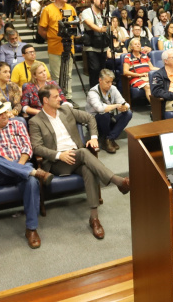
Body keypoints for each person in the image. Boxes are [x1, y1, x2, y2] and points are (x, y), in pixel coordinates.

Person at [28, 85, 130, 239]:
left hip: (77, 157)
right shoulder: (36, 121)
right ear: (45, 100)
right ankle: (118, 181)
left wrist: (94, 137)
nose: (60, 99)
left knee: (87, 169)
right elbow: (36, 148)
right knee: (83, 152)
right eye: (55, 96)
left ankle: (94, 218)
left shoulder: (66, 110)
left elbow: (90, 118)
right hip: (58, 163)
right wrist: (58, 155)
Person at [0, 98, 50, 249]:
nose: (5, 116)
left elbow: (27, 148)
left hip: (21, 165)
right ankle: (33, 172)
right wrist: (4, 162)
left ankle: (31, 229)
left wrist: (19, 165)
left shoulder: (17, 124)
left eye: (5, 112)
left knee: (31, 182)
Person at [38, 0, 77, 98]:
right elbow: (41, 29)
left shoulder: (71, 8)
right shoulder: (48, 9)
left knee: (68, 75)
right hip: (55, 48)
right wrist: (51, 38)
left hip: (69, 47)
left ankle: (68, 97)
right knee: (57, 76)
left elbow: (75, 25)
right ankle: (57, 98)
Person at [85, 70, 132, 153]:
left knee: (128, 113)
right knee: (104, 114)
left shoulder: (113, 88)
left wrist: (124, 107)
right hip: (95, 122)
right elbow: (100, 109)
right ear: (100, 80)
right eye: (107, 82)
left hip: (109, 118)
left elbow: (124, 102)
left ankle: (109, 139)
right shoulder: (92, 93)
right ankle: (106, 139)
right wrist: (116, 106)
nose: (110, 84)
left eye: (111, 82)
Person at [81, 0, 111, 90]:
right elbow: (89, 24)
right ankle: (94, 90)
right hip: (91, 45)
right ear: (94, 0)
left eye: (104, 1)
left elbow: (109, 25)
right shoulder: (87, 12)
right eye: (100, 0)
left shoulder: (105, 12)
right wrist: (100, 29)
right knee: (94, 69)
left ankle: (102, 90)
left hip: (103, 45)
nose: (102, 3)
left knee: (102, 70)